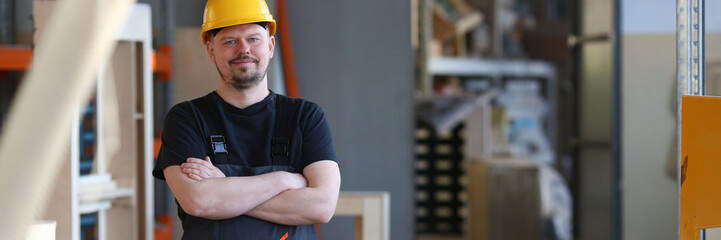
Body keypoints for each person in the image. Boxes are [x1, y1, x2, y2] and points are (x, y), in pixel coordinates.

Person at [152, 0, 341, 239]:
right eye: (230, 41)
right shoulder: (187, 119)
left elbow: (322, 206)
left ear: (270, 46)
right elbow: (199, 201)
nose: (244, 50)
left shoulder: (305, 117)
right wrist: (285, 180)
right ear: (211, 51)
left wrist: (223, 189)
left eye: (253, 39)